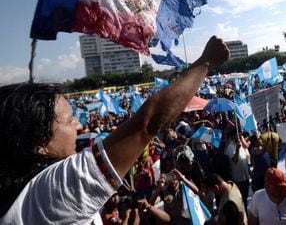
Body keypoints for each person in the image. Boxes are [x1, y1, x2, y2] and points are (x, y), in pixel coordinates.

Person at [0, 36, 229, 224]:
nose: (79, 125)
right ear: (39, 142)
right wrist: (206, 62)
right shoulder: (49, 193)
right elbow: (147, 123)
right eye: (70, 120)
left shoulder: (20, 202)